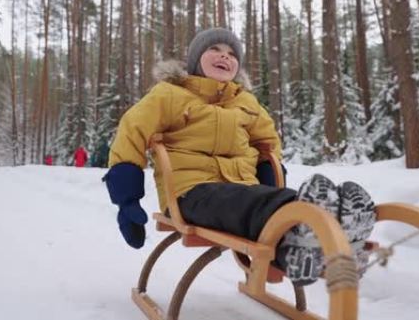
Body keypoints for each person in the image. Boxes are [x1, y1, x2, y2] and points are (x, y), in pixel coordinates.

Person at [104, 28, 375, 285]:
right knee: (245, 203)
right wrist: (127, 201)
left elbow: (267, 143)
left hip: (244, 189)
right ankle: (311, 217)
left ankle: (317, 241)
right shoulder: (169, 94)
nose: (225, 56)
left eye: (232, 54)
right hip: (190, 192)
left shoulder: (245, 102)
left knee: (253, 200)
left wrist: (268, 182)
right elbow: (132, 133)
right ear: (195, 59)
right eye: (215, 49)